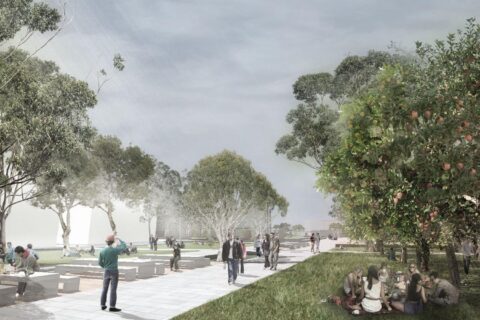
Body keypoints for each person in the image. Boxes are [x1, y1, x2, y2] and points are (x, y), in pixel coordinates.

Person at [98, 234, 127, 312]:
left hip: (106, 271)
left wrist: (105, 267)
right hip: (114, 271)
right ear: (113, 242)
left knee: (104, 289)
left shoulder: (102, 251)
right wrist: (119, 239)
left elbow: (100, 263)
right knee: (113, 289)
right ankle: (112, 306)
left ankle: (103, 305)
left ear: (106, 242)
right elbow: (124, 247)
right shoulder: (114, 250)